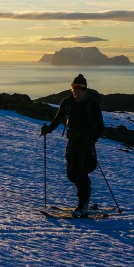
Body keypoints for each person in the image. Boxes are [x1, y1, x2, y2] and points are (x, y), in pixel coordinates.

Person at [40, 74, 105, 214]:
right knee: (71, 174)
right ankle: (84, 199)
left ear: (85, 90)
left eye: (79, 88)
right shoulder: (67, 103)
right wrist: (48, 130)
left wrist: (92, 139)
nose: (76, 91)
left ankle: (83, 203)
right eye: (74, 88)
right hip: (73, 142)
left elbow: (100, 127)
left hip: (86, 144)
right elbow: (58, 120)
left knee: (81, 172)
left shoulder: (93, 104)